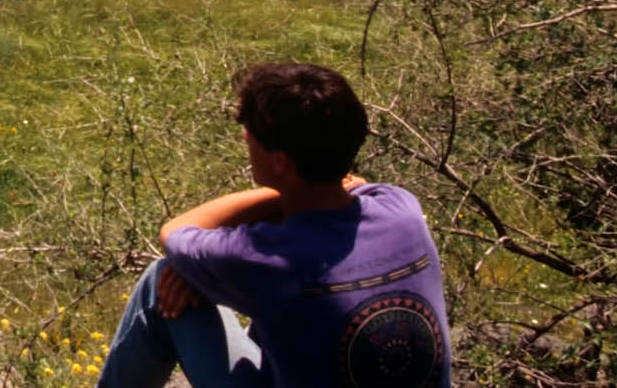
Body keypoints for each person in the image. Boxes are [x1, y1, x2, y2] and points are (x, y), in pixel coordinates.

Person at [94, 62, 450, 388]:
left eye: (250, 136)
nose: (245, 139)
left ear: (281, 162)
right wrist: (294, 191)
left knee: (161, 281)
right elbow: (354, 185)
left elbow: (176, 232)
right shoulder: (402, 209)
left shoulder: (273, 261)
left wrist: (275, 197)